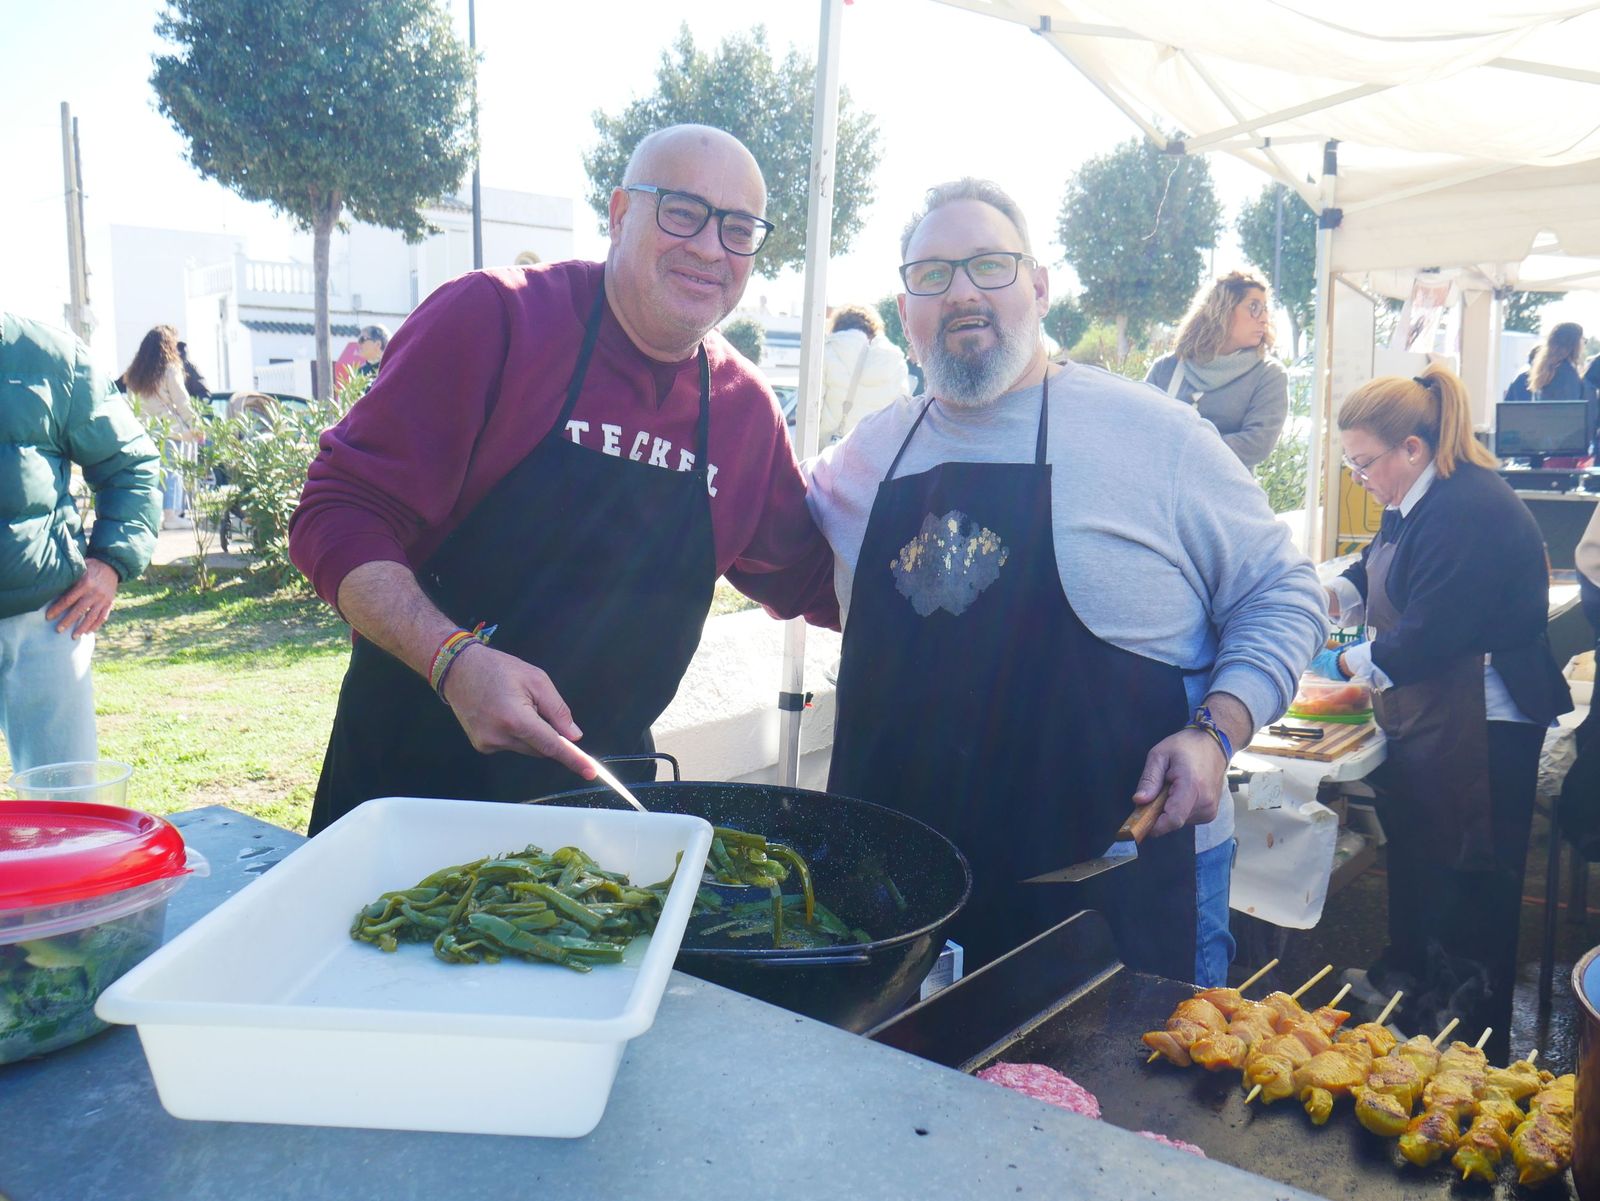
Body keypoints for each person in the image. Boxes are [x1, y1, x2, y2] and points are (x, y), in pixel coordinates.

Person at [804, 180, 1326, 984]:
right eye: (933, 274)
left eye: (989, 265)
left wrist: (1218, 730)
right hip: (904, 909)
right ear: (904, 308)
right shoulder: (861, 461)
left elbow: (1282, 590)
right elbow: (755, 539)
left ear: (1040, 287)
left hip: (1113, 897)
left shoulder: (1155, 435)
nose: (963, 291)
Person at [289, 124, 837, 835]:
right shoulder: (496, 319)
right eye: (681, 211)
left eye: (738, 228)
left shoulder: (744, 413)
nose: (709, 247)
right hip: (408, 797)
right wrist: (453, 659)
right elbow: (335, 513)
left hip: (600, 820)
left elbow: (817, 577)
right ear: (617, 214)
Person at [1316, 364, 1570, 1061]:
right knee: (1424, 857)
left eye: (1364, 461)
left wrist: (1343, 663)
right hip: (1434, 713)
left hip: (1485, 724)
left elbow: (1428, 637)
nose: (1359, 475)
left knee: (1470, 874)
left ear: (1413, 448)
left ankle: (1466, 1036)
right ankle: (1410, 988)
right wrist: (1329, 596)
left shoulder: (1469, 508)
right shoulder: (1415, 494)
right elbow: (1375, 560)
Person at [0, 312, 160, 772]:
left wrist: (111, 561)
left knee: (65, 805)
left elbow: (130, 465)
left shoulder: (51, 357)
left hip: (46, 619)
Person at [1146, 271, 1288, 470]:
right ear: (1223, 310)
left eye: (1265, 309)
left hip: (1225, 499)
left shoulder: (1268, 375)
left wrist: (1182, 448)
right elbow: (1143, 429)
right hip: (1162, 497)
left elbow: (1256, 445)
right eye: (1254, 307)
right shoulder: (1166, 369)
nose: (1264, 318)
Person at [122, 324, 201, 530]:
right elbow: (182, 401)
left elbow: (133, 406)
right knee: (172, 471)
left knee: (151, 473)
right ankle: (171, 516)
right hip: (170, 430)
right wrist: (195, 425)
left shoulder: (134, 374)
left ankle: (151, 516)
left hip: (145, 431)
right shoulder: (169, 369)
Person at [817, 304, 908, 444]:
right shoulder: (894, 357)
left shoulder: (828, 350)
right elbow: (902, 412)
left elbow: (812, 406)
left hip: (830, 447)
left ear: (838, 324)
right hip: (875, 449)